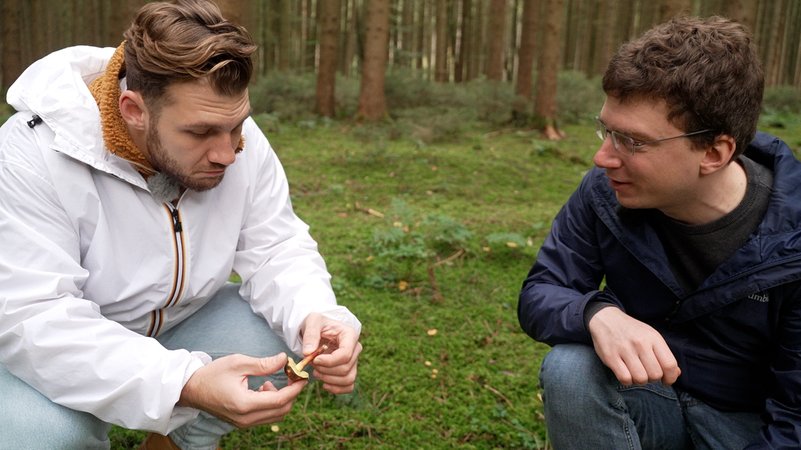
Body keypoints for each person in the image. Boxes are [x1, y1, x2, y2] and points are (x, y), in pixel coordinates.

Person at [0, 1, 362, 449]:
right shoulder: (30, 153)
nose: (228, 154)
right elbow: (35, 316)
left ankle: (174, 443)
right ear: (133, 109)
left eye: (237, 125)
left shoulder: (231, 134)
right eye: (199, 133)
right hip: (54, 343)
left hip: (179, 324)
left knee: (287, 327)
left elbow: (276, 246)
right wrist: (186, 383)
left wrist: (317, 314)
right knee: (41, 436)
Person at [518, 16, 801, 449]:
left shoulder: (792, 241)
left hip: (746, 428)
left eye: (632, 142)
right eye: (607, 131)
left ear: (714, 152)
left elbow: (795, 419)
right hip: (650, 399)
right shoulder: (604, 194)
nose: (602, 157)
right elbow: (542, 290)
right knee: (571, 368)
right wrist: (596, 313)